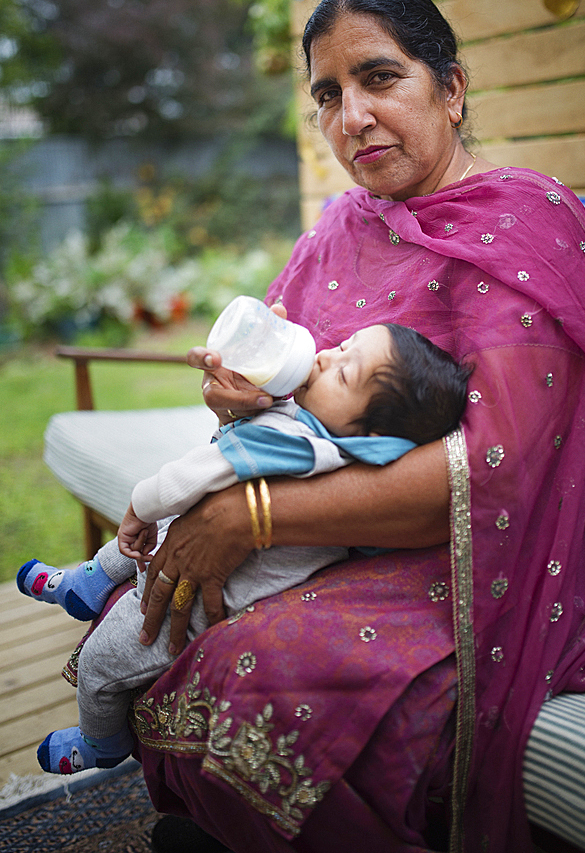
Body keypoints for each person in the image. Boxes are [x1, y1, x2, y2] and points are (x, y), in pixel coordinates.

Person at [66, 0, 585, 853]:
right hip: (337, 530)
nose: (352, 118)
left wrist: (253, 516)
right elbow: (293, 386)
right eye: (326, 96)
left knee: (262, 663)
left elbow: (499, 468)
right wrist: (241, 398)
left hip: (489, 548)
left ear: (449, 89)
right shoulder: (343, 227)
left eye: (380, 79)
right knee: (168, 608)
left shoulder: (527, 227)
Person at [18, 322, 470, 776]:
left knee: (101, 660)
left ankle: (100, 741)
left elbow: (192, 476)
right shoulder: (335, 446)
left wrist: (140, 505)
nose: (324, 357)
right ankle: (85, 584)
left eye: (344, 374)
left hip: (195, 601)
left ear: (375, 437)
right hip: (191, 543)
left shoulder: (291, 445)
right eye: (341, 346)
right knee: (144, 541)